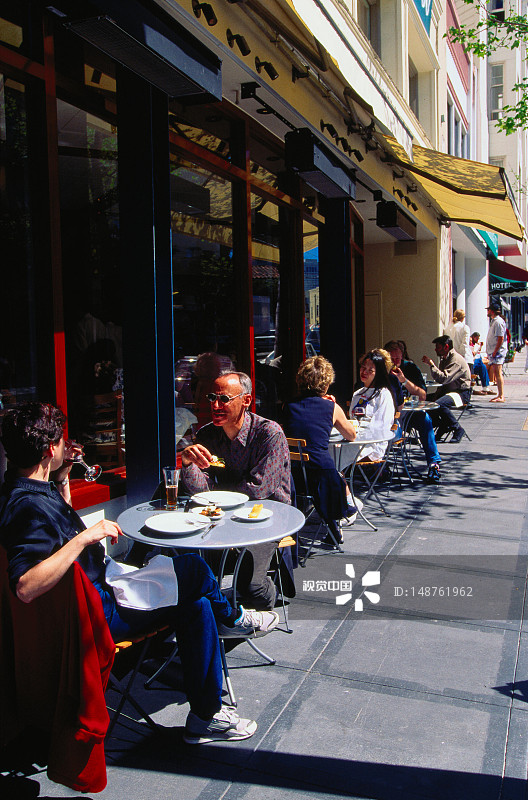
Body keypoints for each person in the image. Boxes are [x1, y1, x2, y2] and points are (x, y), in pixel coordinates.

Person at [0, 402, 278, 745]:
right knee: (193, 569)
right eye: (61, 441)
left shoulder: (29, 491)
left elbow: (59, 531)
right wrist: (89, 535)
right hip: (97, 615)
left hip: (101, 592)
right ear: (48, 449)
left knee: (196, 603)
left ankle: (206, 716)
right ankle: (235, 619)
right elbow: (25, 586)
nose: (66, 446)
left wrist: (62, 480)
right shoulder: (26, 507)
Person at [181, 371, 291, 611]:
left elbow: (260, 488)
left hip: (267, 518)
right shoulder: (207, 434)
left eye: (224, 399)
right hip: (222, 516)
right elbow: (202, 490)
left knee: (252, 589)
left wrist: (217, 495)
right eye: (212, 398)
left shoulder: (269, 433)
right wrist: (188, 464)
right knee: (195, 568)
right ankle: (218, 614)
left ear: (246, 401)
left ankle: (268, 594)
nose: (216, 405)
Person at [283, 356, 361, 542]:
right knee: (339, 475)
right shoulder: (331, 407)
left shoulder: (288, 406)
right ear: (326, 384)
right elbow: (351, 435)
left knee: (328, 473)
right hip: (322, 478)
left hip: (293, 477)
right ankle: (346, 512)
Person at [384, 340, 442, 484]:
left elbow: (422, 395)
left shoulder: (410, 368)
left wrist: (403, 381)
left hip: (409, 412)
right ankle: (378, 465)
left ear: (402, 356)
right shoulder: (381, 370)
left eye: (397, 358)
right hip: (389, 415)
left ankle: (433, 464)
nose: (394, 362)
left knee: (425, 419)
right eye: (391, 359)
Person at [348, 349, 397, 462]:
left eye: (370, 370)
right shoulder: (358, 394)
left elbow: (380, 427)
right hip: (355, 441)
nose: (364, 372)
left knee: (335, 455)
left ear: (378, 374)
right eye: (363, 368)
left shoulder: (383, 394)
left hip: (372, 445)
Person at [422, 335, 471, 443]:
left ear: (446, 347)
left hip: (461, 392)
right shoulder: (445, 359)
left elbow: (444, 378)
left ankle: (457, 428)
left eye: (438, 347)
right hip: (448, 390)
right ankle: (442, 424)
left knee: (439, 404)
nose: (435, 349)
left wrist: (431, 365)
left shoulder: (455, 360)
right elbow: (441, 381)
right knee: (425, 401)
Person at [486, 301, 507, 402]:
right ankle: (499, 395)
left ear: (492, 311)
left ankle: (501, 395)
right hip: (494, 351)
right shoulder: (495, 321)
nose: (488, 311)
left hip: (497, 352)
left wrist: (495, 351)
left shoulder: (498, 322)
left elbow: (500, 338)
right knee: (496, 373)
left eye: (489, 310)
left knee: (498, 373)